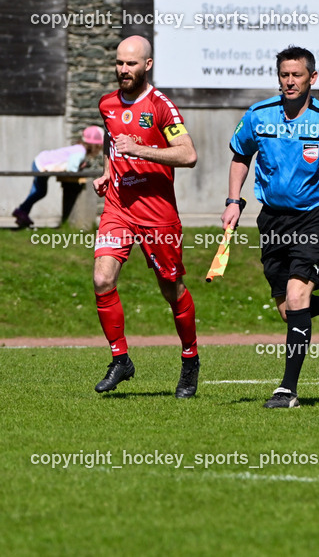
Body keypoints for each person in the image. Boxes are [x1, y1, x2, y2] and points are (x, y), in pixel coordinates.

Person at [224, 46, 319, 409]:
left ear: (312, 78)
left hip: (314, 217)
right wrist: (233, 201)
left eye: (297, 75)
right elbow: (240, 156)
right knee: (288, 309)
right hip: (272, 219)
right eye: (284, 75)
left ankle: (287, 389)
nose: (290, 81)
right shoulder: (259, 115)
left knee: (296, 298)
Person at [91, 36, 201, 398]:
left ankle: (190, 359)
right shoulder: (107, 103)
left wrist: (138, 149)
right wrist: (109, 171)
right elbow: (112, 141)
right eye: (120, 63)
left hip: (157, 212)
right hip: (119, 206)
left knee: (172, 290)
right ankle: (120, 359)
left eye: (131, 64)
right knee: (102, 278)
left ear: (147, 65)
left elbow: (188, 155)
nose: (123, 70)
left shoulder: (161, 106)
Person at [12, 125, 105, 228]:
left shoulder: (78, 148)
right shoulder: (80, 152)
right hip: (42, 164)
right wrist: (78, 168)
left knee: (38, 191)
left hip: (40, 160)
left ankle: (22, 212)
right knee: (39, 192)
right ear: (95, 146)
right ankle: (22, 211)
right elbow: (71, 169)